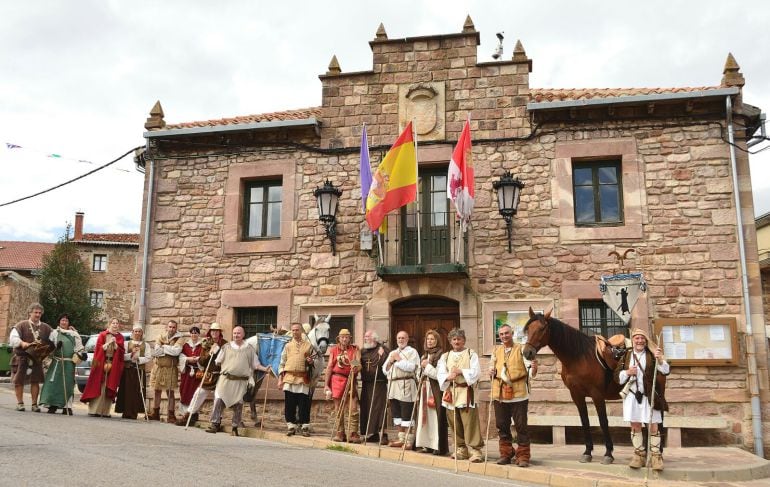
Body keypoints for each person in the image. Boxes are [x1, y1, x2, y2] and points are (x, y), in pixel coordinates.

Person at [614, 328, 670, 471]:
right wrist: (627, 372)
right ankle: (639, 455)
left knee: (653, 426)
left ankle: (656, 456)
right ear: (633, 340)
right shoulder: (626, 355)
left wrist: (661, 359)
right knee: (635, 425)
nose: (639, 341)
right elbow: (617, 377)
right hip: (632, 396)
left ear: (645, 340)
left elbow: (665, 371)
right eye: (637, 338)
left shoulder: (652, 355)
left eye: (642, 338)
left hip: (649, 396)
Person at [489, 324, 538, 467]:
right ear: (499, 336)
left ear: (512, 333)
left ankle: (523, 455)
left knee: (521, 426)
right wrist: (491, 372)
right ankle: (506, 453)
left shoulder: (521, 349)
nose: (504, 336)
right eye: (502, 334)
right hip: (500, 393)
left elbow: (530, 370)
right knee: (502, 425)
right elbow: (492, 367)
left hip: (519, 393)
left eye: (507, 333)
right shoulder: (496, 350)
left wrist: (534, 370)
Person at [206, 326, 269, 436]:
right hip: (225, 380)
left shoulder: (249, 349)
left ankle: (235, 427)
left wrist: (265, 369)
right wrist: (213, 352)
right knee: (219, 400)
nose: (236, 335)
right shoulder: (226, 347)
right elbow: (217, 362)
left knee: (238, 404)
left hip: (240, 382)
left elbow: (256, 364)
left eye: (238, 333)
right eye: (234, 333)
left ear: (243, 335)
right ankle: (215, 424)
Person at [437, 328, 484, 463]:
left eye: (459, 339)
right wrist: (448, 376)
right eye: (454, 339)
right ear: (450, 341)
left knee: (470, 422)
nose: (456, 341)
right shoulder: (445, 356)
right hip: (451, 393)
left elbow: (476, 372)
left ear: (464, 340)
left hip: (466, 392)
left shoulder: (471, 354)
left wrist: (461, 371)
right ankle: (461, 449)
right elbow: (440, 373)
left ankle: (475, 450)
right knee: (454, 422)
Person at [9, 302, 54, 412]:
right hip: (22, 357)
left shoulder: (46, 327)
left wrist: (68, 332)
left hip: (36, 358)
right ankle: (20, 403)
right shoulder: (21, 325)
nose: (38, 315)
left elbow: (54, 338)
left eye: (39, 313)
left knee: (35, 381)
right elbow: (13, 338)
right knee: (19, 381)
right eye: (35, 312)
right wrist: (21, 343)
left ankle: (34, 404)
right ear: (30, 313)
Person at [39, 314, 86, 415]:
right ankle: (52, 405)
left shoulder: (74, 335)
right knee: (54, 384)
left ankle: (67, 407)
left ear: (69, 323)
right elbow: (49, 348)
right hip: (57, 362)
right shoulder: (54, 333)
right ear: (59, 322)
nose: (64, 322)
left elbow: (79, 348)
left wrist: (82, 354)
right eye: (62, 320)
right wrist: (56, 347)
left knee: (68, 384)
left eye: (66, 321)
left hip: (69, 363)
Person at [81, 318, 126, 417]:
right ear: (109, 324)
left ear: (119, 325)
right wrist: (108, 343)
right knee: (99, 385)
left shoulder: (120, 337)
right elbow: (98, 348)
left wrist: (115, 345)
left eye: (117, 323)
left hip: (113, 364)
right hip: (101, 362)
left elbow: (121, 352)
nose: (115, 325)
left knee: (108, 386)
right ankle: (94, 410)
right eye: (113, 323)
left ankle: (105, 411)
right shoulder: (103, 335)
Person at [383, 330, 420, 448]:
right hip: (393, 385)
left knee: (406, 413)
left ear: (407, 339)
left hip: (406, 384)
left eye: (403, 338)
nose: (401, 340)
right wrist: (390, 361)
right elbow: (385, 369)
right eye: (399, 338)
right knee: (396, 413)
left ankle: (408, 440)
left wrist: (398, 360)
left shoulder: (412, 352)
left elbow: (411, 367)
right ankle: (401, 438)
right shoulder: (393, 352)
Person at [324, 329, 362, 443]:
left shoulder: (355, 349)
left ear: (350, 338)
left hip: (350, 380)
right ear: (339, 338)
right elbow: (330, 366)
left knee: (353, 407)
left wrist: (355, 368)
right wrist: (326, 385)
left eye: (346, 337)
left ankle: (353, 433)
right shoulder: (334, 350)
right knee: (338, 408)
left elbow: (357, 363)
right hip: (336, 379)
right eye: (342, 337)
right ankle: (340, 433)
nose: (344, 339)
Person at [186, 323, 227, 428]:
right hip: (209, 375)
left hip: (221, 375)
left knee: (218, 398)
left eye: (217, 331)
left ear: (219, 332)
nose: (214, 332)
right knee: (199, 394)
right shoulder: (206, 344)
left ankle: (216, 421)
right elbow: (202, 361)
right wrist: (210, 353)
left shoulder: (225, 344)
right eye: (213, 331)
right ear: (210, 332)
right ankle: (190, 415)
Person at [277, 323, 315, 437]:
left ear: (301, 331)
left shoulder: (309, 346)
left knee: (304, 403)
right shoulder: (287, 346)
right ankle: (291, 426)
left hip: (303, 378)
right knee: (290, 403)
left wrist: (310, 362)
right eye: (293, 330)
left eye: (297, 330)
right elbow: (282, 363)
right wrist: (280, 379)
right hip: (289, 378)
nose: (294, 332)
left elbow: (312, 363)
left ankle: (304, 426)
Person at [415, 330, 449, 456]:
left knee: (435, 417)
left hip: (435, 390)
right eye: (428, 339)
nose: (430, 341)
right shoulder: (424, 355)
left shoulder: (442, 356)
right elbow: (418, 374)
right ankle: (427, 444)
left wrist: (427, 366)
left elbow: (438, 375)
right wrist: (420, 373)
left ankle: (438, 446)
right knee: (425, 418)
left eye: (432, 339)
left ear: (437, 341)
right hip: (425, 389)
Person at [148, 319, 183, 422]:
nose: (171, 329)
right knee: (157, 390)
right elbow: (156, 351)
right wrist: (168, 349)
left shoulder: (179, 339)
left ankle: (171, 415)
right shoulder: (160, 336)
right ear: (167, 327)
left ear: (176, 328)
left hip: (170, 367)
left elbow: (176, 352)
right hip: (158, 367)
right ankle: (155, 413)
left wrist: (163, 347)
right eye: (170, 327)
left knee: (170, 392)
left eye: (173, 327)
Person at [115, 325, 152, 420]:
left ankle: (133, 413)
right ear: (132, 332)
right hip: (128, 370)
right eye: (135, 331)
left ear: (142, 333)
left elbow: (148, 357)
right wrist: (131, 355)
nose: (137, 333)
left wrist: (138, 359)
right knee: (127, 391)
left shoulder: (146, 345)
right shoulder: (126, 343)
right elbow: (121, 356)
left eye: (139, 331)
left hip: (139, 371)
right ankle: (125, 412)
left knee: (136, 392)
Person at [359, 330, 390, 444]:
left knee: (379, 408)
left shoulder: (383, 349)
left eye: (368, 336)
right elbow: (358, 363)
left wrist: (383, 355)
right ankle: (373, 434)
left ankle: (384, 434)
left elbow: (388, 364)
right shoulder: (362, 351)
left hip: (379, 383)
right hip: (366, 384)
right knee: (367, 408)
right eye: (365, 336)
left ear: (375, 339)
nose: (365, 338)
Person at [176, 326, 203, 425]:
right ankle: (184, 414)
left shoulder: (202, 345)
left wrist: (197, 359)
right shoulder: (186, 345)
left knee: (195, 393)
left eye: (196, 333)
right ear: (190, 334)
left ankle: (194, 414)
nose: (194, 335)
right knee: (185, 391)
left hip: (197, 374)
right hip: (187, 372)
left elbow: (204, 357)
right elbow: (181, 356)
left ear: (198, 334)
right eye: (192, 333)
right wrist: (188, 359)